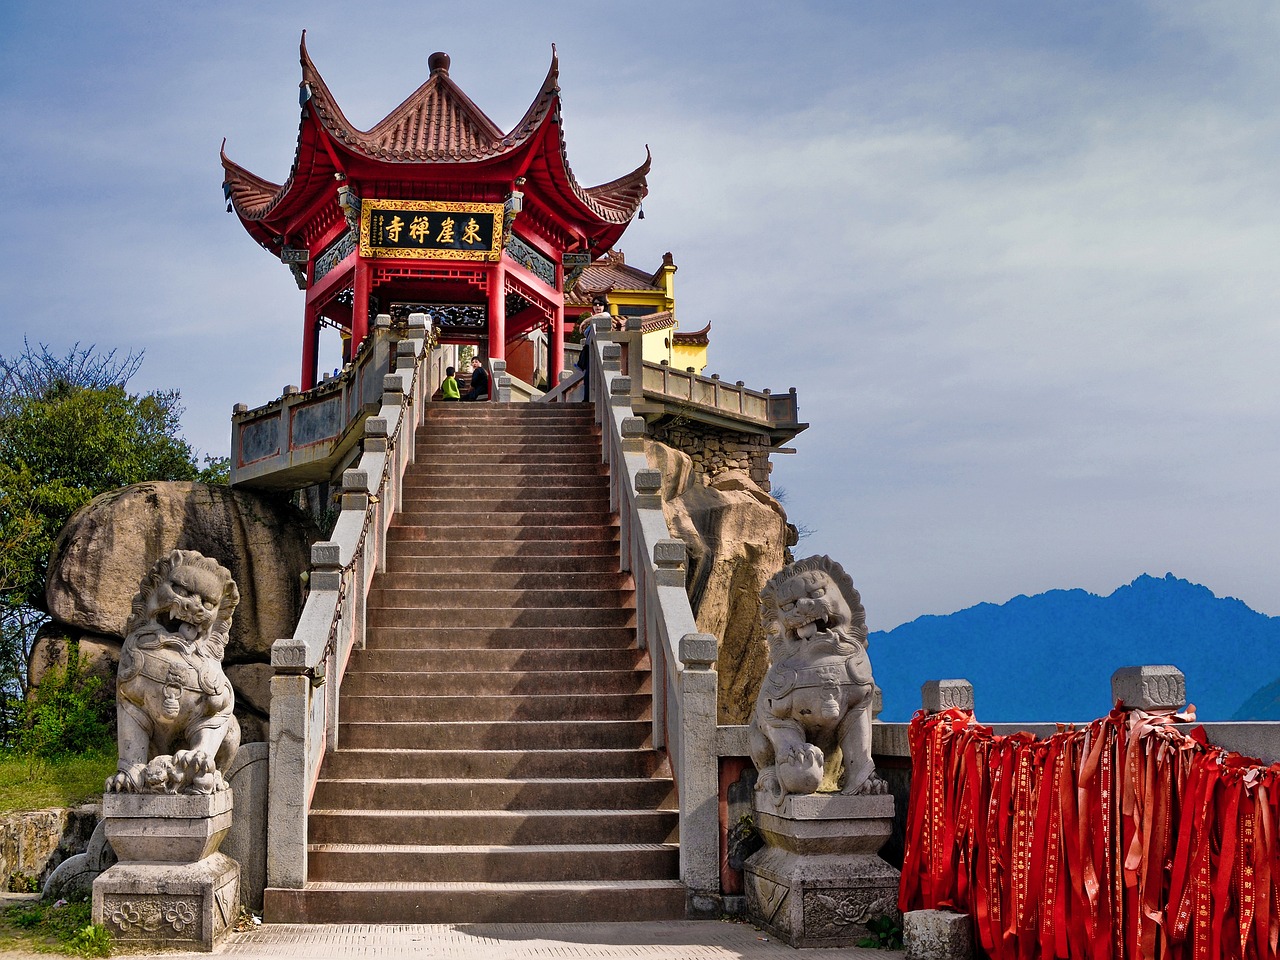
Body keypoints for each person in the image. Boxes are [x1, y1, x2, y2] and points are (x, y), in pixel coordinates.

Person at [576, 296, 611, 402]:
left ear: (605, 306)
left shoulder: (605, 316)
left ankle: (587, 400)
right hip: (589, 352)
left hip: (598, 352)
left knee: (590, 376)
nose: (597, 306)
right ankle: (587, 399)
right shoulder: (594, 319)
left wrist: (585, 321)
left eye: (600, 304)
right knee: (587, 376)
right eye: (595, 304)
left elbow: (606, 315)